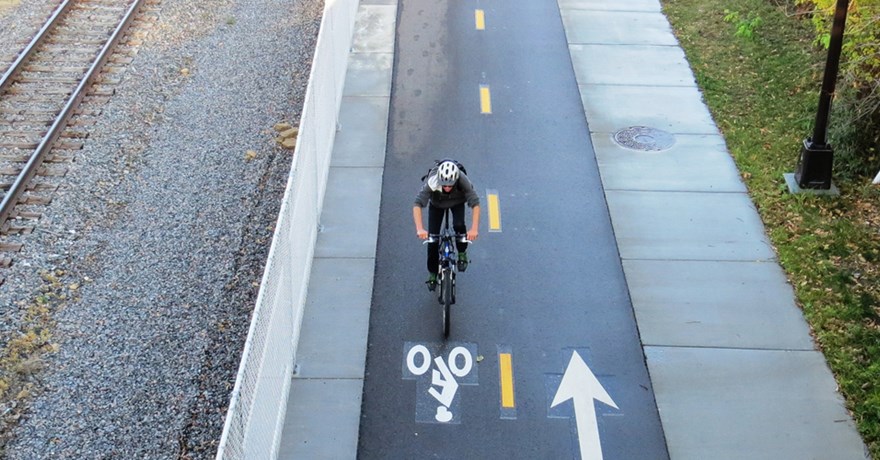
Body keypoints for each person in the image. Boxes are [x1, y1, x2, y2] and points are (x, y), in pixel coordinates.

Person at [413, 160, 480, 290]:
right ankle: (433, 273)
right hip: (437, 204)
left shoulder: (462, 180)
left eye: (450, 186)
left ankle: (462, 252)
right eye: (445, 186)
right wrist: (420, 228)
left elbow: (475, 204)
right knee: (432, 242)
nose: (447, 188)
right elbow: (417, 204)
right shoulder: (432, 182)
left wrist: (474, 229)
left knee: (459, 225)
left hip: (457, 202)